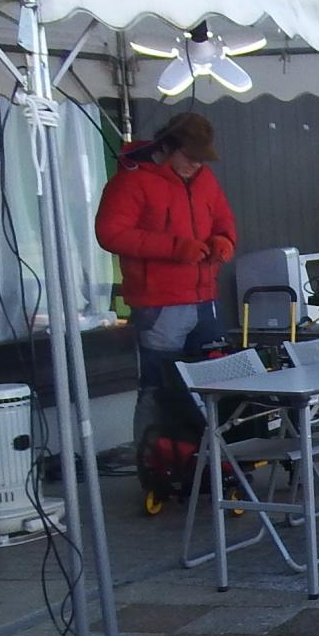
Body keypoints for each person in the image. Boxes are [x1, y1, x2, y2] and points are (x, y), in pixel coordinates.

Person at [94, 111, 236, 448]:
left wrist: (224, 243)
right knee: (159, 385)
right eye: (190, 157)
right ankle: (155, 462)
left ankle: (208, 462)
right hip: (159, 302)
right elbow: (110, 233)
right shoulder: (132, 179)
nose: (197, 165)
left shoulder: (205, 180)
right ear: (167, 147)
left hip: (204, 298)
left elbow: (225, 221)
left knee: (214, 380)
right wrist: (175, 248)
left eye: (202, 159)